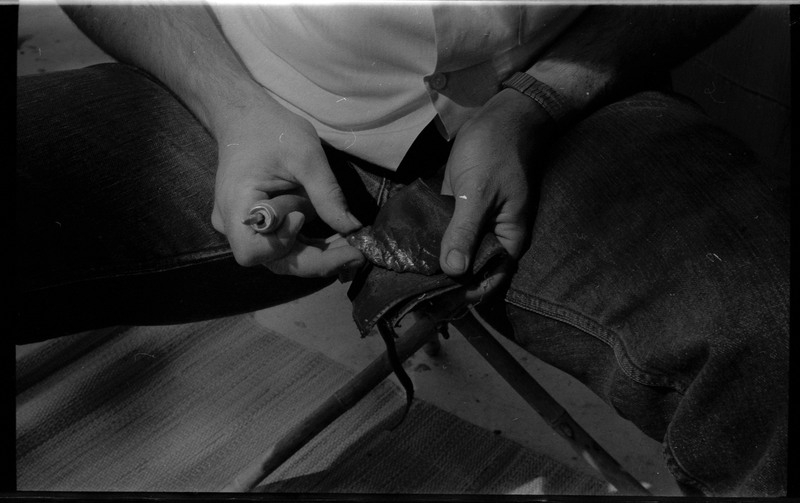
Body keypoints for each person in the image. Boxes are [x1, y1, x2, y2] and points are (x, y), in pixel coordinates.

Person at [16, 3, 788, 497]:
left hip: (552, 112)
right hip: (241, 91)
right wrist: (233, 107)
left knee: (767, 341)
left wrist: (538, 99)